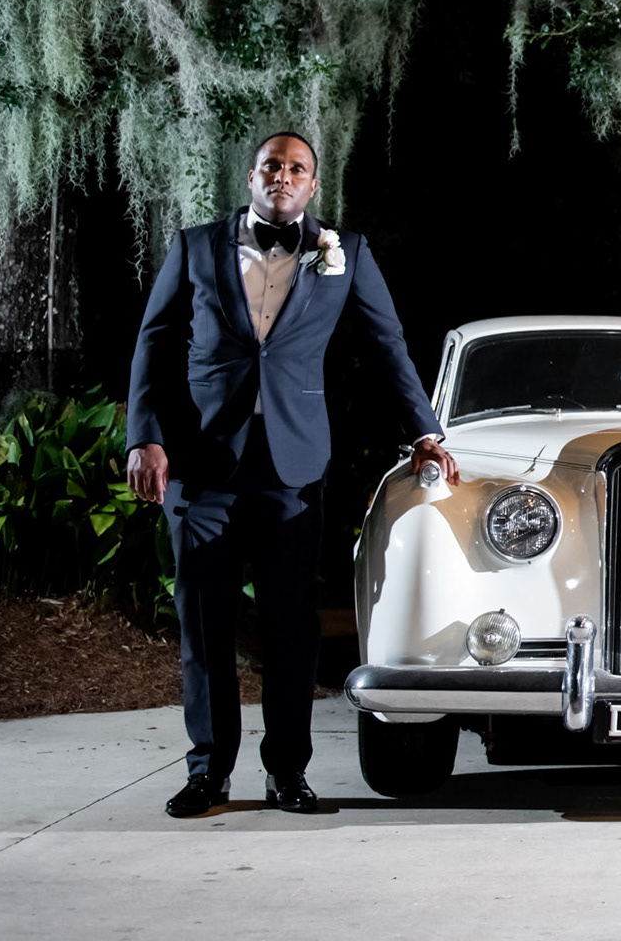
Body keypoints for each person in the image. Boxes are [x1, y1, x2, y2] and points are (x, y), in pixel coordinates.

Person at [125, 131, 457, 819]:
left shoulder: (344, 252)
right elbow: (153, 344)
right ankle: (208, 772)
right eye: (271, 165)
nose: (283, 175)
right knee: (204, 625)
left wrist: (425, 432)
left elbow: (388, 346)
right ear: (251, 176)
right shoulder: (195, 247)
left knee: (289, 626)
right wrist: (145, 438)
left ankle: (287, 773)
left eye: (296, 168)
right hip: (202, 466)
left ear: (312, 185)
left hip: (293, 469)